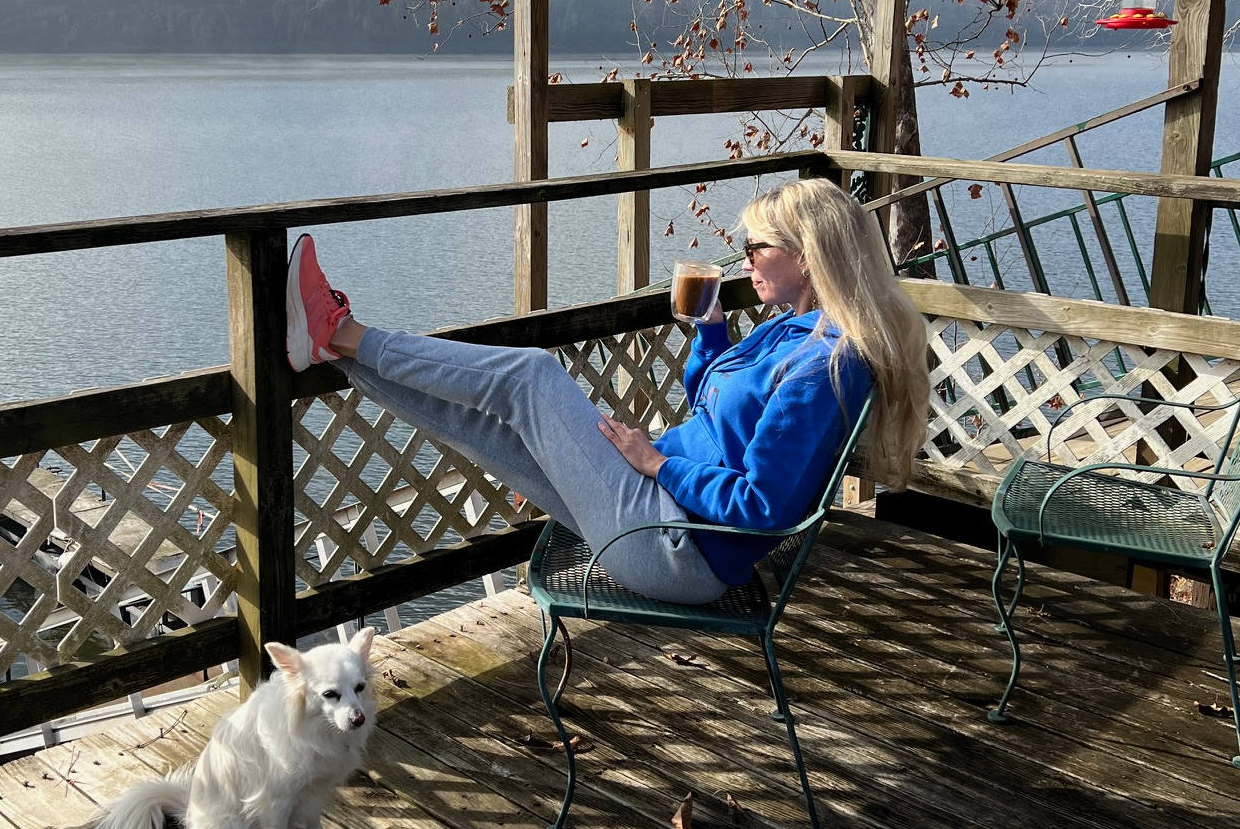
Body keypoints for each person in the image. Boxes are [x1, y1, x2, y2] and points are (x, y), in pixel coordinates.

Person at [285, 176, 930, 605]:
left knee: (531, 376)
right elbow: (713, 407)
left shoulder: (825, 365)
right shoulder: (795, 330)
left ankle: (341, 329)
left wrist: (658, 463)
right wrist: (710, 336)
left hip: (676, 548)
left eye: (756, 247)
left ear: (809, 255)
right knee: (497, 426)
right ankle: (331, 347)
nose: (744, 259)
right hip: (658, 509)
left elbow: (763, 504)